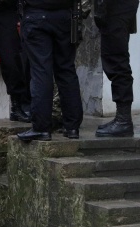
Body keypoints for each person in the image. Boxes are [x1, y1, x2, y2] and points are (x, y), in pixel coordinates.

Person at [17, 0, 83, 141]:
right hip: (65, 15)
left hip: (36, 15)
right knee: (66, 69)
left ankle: (41, 128)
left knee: (41, 72)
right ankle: (72, 127)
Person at [94, 0, 139, 137]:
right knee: (115, 61)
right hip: (116, 11)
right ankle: (122, 118)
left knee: (117, 62)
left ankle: (123, 120)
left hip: (116, 10)